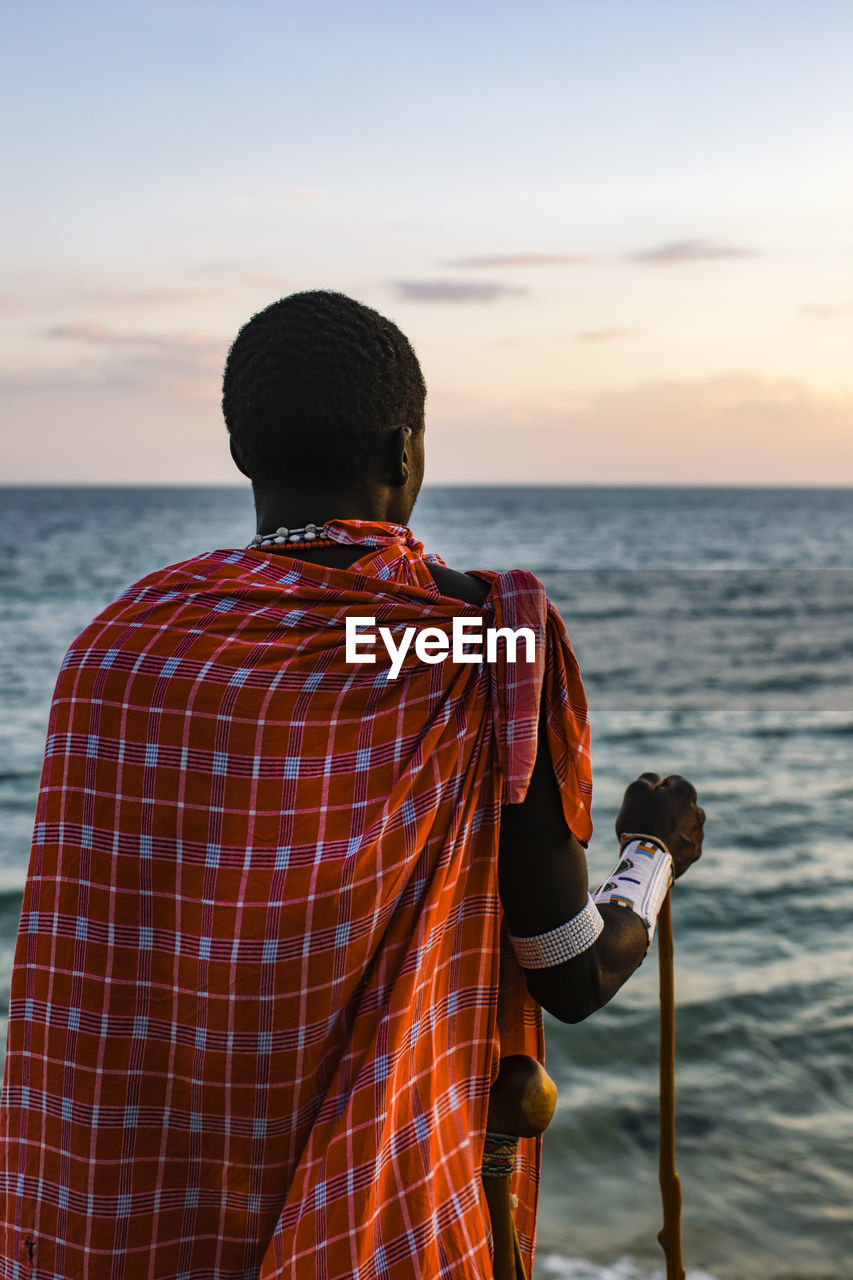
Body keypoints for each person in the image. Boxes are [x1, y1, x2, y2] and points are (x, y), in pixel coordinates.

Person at [0, 291, 704, 1280]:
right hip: (378, 1225)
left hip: (135, 1225)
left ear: (246, 452)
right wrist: (653, 851)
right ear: (399, 451)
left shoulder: (119, 649)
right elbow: (570, 966)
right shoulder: (484, 637)